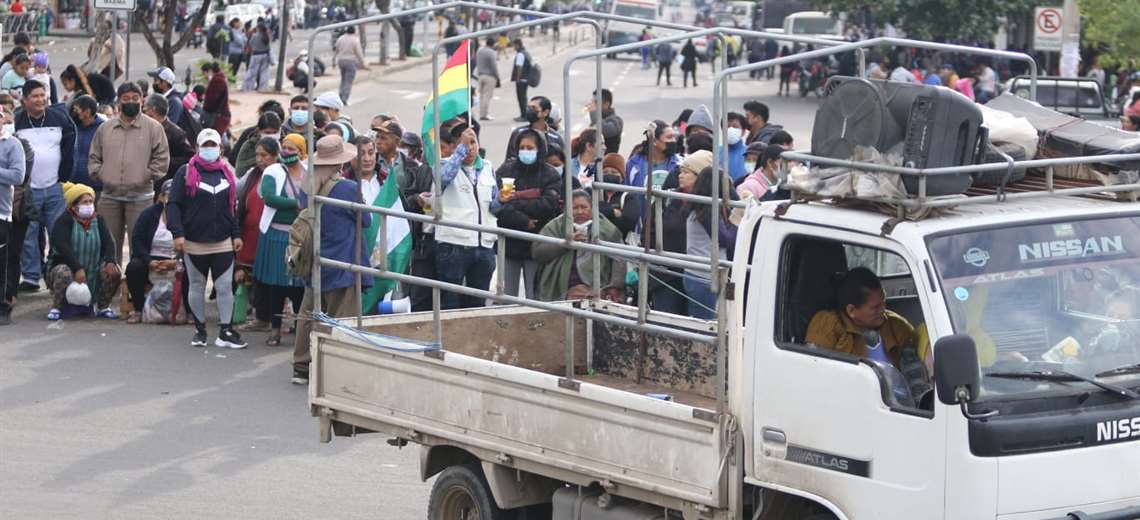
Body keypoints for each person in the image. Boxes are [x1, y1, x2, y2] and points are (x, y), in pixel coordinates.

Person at [292, 135, 371, 384]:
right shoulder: (347, 188)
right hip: (342, 263)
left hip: (314, 261)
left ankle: (302, 365)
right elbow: (366, 220)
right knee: (342, 317)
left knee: (309, 314)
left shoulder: (308, 186)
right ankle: (335, 367)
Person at [166, 129, 247, 349]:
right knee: (197, 285)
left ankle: (225, 331)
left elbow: (232, 208)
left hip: (222, 242)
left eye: (214, 145)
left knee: (223, 287)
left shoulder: (227, 173)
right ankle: (200, 330)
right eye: (206, 145)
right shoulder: (185, 173)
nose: (210, 149)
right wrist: (178, 233)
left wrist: (236, 234)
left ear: (221, 148)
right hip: (194, 242)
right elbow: (173, 205)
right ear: (198, 147)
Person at [88, 83, 170, 265]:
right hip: (109, 196)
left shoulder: (154, 128)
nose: (130, 102)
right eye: (126, 99)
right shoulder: (105, 128)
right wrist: (102, 175)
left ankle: (136, 291)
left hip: (141, 197)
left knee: (140, 246)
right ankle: (111, 289)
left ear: (142, 101)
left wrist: (144, 176)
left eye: (135, 98)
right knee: (108, 247)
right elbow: (94, 157)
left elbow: (162, 159)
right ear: (118, 101)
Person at [15, 80, 75, 293]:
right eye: (35, 96)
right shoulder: (17, 121)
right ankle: (31, 277)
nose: (40, 100)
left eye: (43, 95)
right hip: (28, 190)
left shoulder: (59, 118)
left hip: (54, 187)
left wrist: (64, 176)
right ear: (24, 100)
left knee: (58, 233)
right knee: (29, 235)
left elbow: (70, 144)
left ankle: (55, 274)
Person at [431, 125, 499, 309]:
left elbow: (493, 205)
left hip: (483, 245)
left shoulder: (487, 167)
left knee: (477, 302)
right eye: (464, 143)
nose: (470, 148)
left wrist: (504, 200)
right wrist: (459, 153)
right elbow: (443, 179)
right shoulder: (444, 164)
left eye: (473, 142)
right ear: (455, 146)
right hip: (454, 244)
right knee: (450, 301)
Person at [494, 129, 562, 299]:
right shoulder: (506, 171)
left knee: (535, 296)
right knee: (506, 296)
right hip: (509, 242)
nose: (526, 151)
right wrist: (524, 220)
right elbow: (499, 206)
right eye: (522, 147)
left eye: (530, 148)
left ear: (540, 149)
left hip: (537, 244)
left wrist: (514, 200)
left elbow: (548, 205)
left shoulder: (550, 174)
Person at [805, 267, 915, 369]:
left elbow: (913, 370)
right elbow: (814, 369)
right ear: (851, 310)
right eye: (875, 307)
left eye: (883, 302)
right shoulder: (827, 324)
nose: (883, 310)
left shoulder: (898, 326)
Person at [252, 137, 304, 345]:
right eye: (285, 147)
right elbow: (269, 197)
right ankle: (275, 330)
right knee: (277, 287)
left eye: (293, 148)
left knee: (299, 288)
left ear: (301, 151)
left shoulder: (309, 171)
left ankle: (301, 332)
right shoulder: (272, 172)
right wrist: (298, 203)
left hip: (301, 237)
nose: (288, 151)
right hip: (277, 236)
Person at [46, 182, 122, 321]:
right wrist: (77, 268)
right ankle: (57, 307)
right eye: (84, 202)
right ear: (73, 206)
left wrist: (111, 261)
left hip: (93, 267)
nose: (89, 205)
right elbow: (63, 248)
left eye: (91, 201)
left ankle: (103, 306)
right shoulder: (63, 221)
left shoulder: (98, 220)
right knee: (63, 272)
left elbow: (109, 242)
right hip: (67, 267)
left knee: (113, 271)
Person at [532, 190, 625, 302]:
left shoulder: (607, 228)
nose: (580, 211)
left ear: (592, 208)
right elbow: (538, 253)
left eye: (584, 207)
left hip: (596, 286)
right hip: (560, 287)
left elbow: (620, 258)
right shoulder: (555, 226)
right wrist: (565, 244)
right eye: (575, 208)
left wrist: (614, 286)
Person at [683, 166, 735, 319]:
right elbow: (726, 240)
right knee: (704, 328)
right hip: (704, 277)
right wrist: (736, 222)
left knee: (707, 324)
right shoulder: (707, 213)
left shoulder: (700, 209)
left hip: (701, 274)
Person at [124, 179, 178, 324]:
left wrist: (175, 262)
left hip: (175, 260)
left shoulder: (187, 215)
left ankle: (189, 312)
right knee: (134, 268)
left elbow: (191, 244)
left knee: (192, 268)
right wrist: (149, 261)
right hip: (150, 258)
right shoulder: (149, 214)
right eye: (169, 196)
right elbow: (137, 240)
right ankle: (138, 310)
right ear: (161, 197)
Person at [0, 108, 26, 325]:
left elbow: (18, 176)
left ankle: (3, 307)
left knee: (2, 264)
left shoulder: (12, 145)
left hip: (1, 213)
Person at [142, 94, 194, 189]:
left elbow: (189, 158)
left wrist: (164, 161)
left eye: (144, 110)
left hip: (164, 187)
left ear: (152, 110)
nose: (142, 114)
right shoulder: (143, 129)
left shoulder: (176, 133)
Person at [625, 120, 681, 191]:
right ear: (654, 141)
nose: (674, 141)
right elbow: (627, 191)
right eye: (669, 137)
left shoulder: (679, 164)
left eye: (674, 137)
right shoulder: (634, 164)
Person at [504, 96, 563, 161]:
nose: (529, 110)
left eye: (533, 108)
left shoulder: (555, 138)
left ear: (545, 112)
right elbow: (509, 160)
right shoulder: (518, 133)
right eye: (528, 107)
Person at [69, 95, 104, 193]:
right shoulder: (73, 127)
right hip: (74, 184)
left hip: (96, 185)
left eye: (77, 110)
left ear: (87, 112)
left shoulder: (103, 129)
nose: (74, 113)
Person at [235, 112, 282, 177]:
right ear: (259, 131)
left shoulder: (285, 143)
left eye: (275, 132)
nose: (272, 135)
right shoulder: (249, 146)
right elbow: (239, 172)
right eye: (267, 132)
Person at [333, 26, 368, 103]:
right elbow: (359, 53)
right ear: (354, 31)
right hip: (351, 61)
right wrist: (363, 63)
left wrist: (334, 61)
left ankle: (340, 96)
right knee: (348, 81)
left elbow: (336, 50)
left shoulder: (341, 38)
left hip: (341, 60)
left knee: (343, 80)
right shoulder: (355, 40)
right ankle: (344, 98)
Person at [147, 67, 184, 131]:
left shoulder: (174, 102)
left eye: (156, 80)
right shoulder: (163, 98)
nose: (154, 84)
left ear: (164, 83)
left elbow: (169, 127)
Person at [587, 88, 623, 156]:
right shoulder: (596, 119)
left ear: (606, 104)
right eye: (592, 102)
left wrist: (594, 113)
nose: (592, 105)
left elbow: (604, 130)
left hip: (607, 162)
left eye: (596, 102)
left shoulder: (617, 121)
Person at [201, 62, 231, 135]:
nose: (204, 76)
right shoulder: (217, 79)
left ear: (209, 71)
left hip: (218, 115)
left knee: (216, 137)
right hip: (218, 114)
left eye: (204, 73)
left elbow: (213, 99)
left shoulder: (218, 80)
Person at [475, 36, 500, 121]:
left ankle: (481, 113)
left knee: (482, 96)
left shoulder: (479, 51)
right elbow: (494, 66)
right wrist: (497, 76)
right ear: (493, 44)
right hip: (490, 76)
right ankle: (484, 115)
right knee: (487, 96)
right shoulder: (492, 52)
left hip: (480, 75)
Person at [244, 22, 273, 92]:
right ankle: (263, 88)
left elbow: (250, 44)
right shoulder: (267, 36)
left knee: (252, 72)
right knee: (264, 73)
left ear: (258, 28)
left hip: (256, 55)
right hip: (265, 55)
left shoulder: (255, 36)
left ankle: (248, 87)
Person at [510, 38, 533, 123]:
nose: (513, 47)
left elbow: (519, 67)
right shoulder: (526, 53)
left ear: (517, 45)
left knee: (521, 98)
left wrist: (518, 78)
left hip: (521, 79)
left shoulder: (520, 54)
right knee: (523, 98)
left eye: (514, 45)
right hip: (526, 79)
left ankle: (524, 115)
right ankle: (524, 114)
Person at [725, 112, 749, 181]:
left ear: (743, 131)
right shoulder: (716, 152)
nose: (730, 129)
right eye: (727, 127)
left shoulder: (749, 153)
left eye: (735, 127)